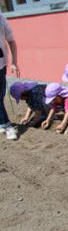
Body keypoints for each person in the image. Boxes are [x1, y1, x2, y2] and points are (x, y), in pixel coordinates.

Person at [0, 12, 20, 140]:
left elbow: (11, 41)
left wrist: (14, 63)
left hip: (1, 65)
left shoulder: (1, 18)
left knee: (0, 96)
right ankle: (7, 125)